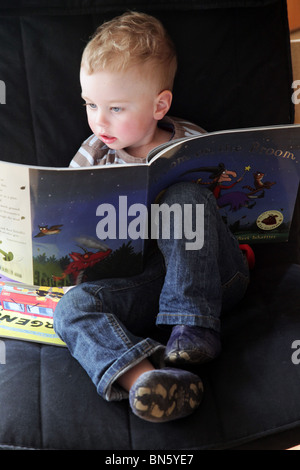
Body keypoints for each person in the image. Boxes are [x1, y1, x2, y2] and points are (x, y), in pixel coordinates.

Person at [53, 11, 250, 423]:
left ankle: (195, 328)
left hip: (214, 275)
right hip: (147, 284)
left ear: (159, 105)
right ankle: (149, 379)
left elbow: (226, 215)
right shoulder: (92, 155)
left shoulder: (194, 145)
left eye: (116, 108)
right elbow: (68, 218)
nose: (98, 120)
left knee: (184, 196)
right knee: (71, 308)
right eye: (90, 104)